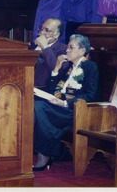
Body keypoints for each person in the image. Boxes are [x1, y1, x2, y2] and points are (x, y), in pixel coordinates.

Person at [33, 34, 99, 171]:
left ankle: (44, 154)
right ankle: (42, 152)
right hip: (59, 106)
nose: (67, 50)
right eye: (67, 47)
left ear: (82, 50)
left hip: (74, 110)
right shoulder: (68, 67)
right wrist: (56, 68)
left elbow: (90, 94)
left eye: (71, 47)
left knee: (38, 107)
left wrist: (64, 103)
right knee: (34, 103)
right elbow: (53, 90)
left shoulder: (90, 67)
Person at [29, 18, 67, 91]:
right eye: (41, 29)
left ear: (57, 34)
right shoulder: (32, 46)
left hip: (44, 90)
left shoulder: (63, 49)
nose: (41, 32)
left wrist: (45, 47)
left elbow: (55, 68)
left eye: (46, 30)